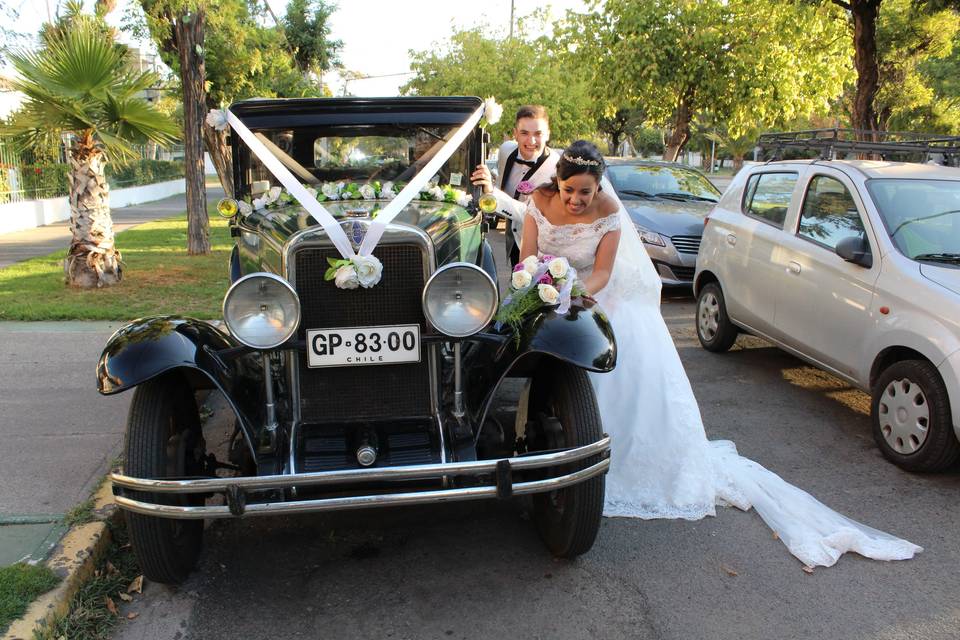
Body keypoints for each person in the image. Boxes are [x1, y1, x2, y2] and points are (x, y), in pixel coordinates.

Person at [520, 140, 922, 568]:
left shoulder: (610, 215)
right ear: (556, 183)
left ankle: (601, 462)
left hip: (590, 297)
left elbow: (601, 273)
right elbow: (527, 258)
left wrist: (570, 292)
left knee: (606, 379)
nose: (576, 200)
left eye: (586, 192)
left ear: (600, 188)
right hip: (543, 292)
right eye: (569, 191)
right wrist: (539, 286)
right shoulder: (538, 201)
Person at [471, 105, 559, 267]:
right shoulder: (505, 150)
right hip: (513, 242)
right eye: (524, 133)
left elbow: (531, 213)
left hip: (542, 250)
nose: (531, 141)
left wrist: (492, 192)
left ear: (547, 134)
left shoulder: (556, 169)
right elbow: (503, 186)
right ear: (515, 134)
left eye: (538, 134)